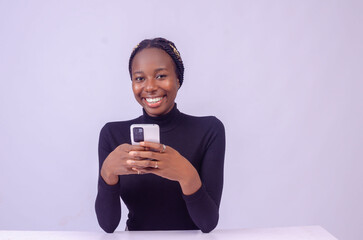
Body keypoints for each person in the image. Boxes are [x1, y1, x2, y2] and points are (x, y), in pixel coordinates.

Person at [95, 37, 225, 233]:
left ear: (178, 79)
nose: (149, 87)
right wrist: (107, 173)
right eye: (139, 78)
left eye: (161, 76)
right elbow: (108, 225)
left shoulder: (209, 130)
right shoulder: (112, 135)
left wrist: (186, 174)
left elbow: (207, 224)